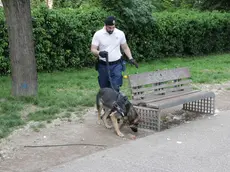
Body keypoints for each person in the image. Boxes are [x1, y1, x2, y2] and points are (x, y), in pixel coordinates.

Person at [91, 16, 138, 92]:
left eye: (113, 27)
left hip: (117, 65)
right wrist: (99, 53)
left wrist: (131, 58)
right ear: (105, 25)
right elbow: (93, 49)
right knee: (104, 89)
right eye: (109, 28)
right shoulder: (98, 34)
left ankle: (115, 102)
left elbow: (125, 47)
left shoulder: (120, 33)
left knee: (115, 87)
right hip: (103, 65)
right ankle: (106, 102)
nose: (111, 29)